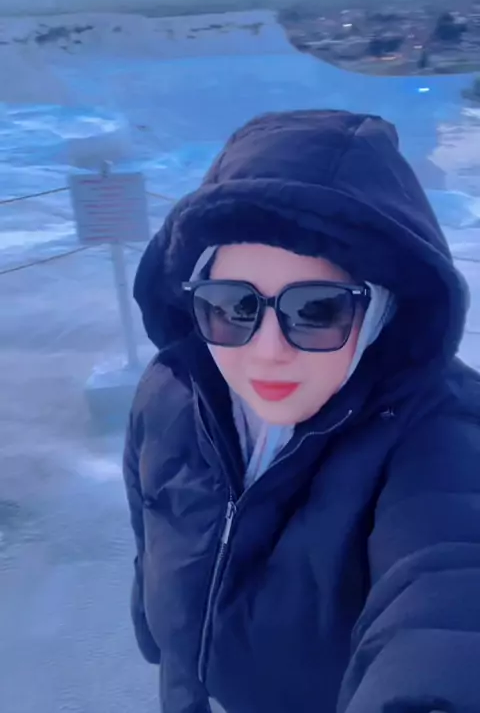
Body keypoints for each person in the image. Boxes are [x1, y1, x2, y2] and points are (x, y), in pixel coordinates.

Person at [123, 109, 480, 713]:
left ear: (383, 310)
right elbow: (153, 530)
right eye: (231, 306)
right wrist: (162, 643)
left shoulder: (440, 437)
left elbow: (445, 602)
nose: (267, 351)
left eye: (318, 310)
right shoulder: (172, 392)